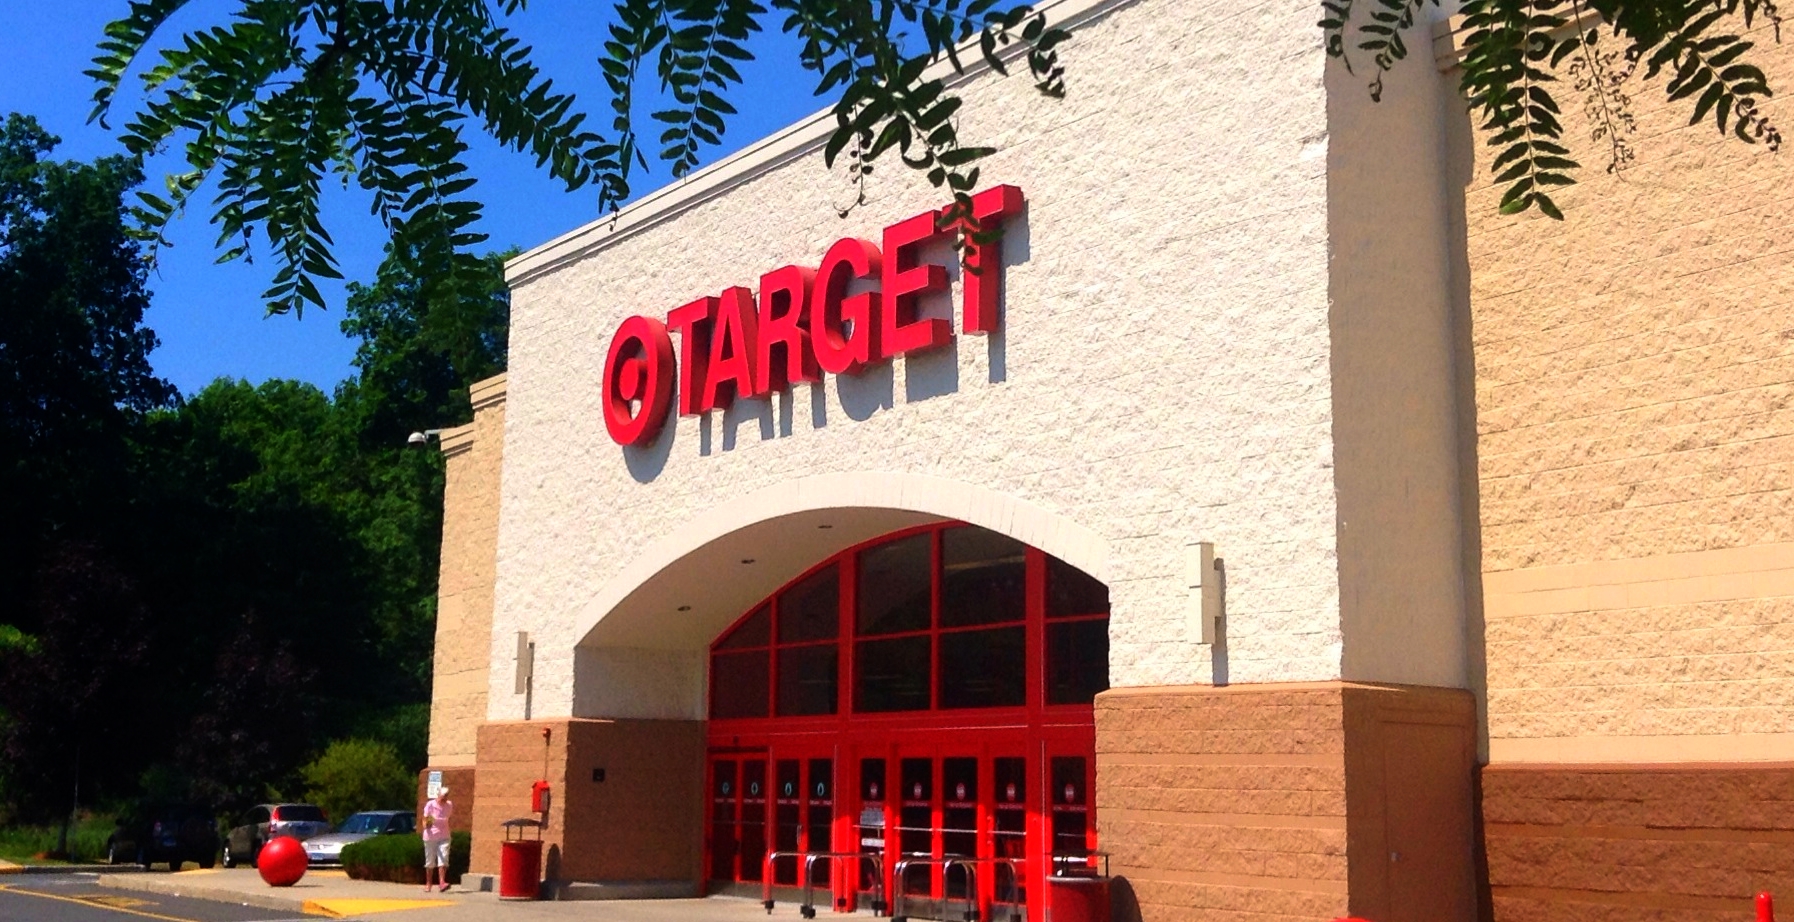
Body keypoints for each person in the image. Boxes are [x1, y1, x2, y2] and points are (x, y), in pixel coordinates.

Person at [422, 787, 453, 892]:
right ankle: (428, 883)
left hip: (444, 836)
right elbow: (425, 821)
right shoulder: (430, 805)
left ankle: (442, 882)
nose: (444, 798)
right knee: (430, 861)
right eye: (443, 796)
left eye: (446, 796)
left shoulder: (449, 805)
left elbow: (448, 817)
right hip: (430, 837)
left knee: (443, 858)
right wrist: (428, 823)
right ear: (438, 795)